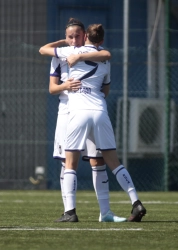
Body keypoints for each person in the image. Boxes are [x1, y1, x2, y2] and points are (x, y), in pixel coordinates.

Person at [40, 23, 147, 222]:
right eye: (69, 37)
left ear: (85, 36)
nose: (73, 40)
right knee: (113, 162)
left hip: (77, 112)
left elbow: (42, 49)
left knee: (72, 163)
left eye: (77, 36)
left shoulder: (69, 53)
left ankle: (73, 212)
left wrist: (76, 56)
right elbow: (105, 81)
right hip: (98, 110)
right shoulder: (103, 58)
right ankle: (135, 201)